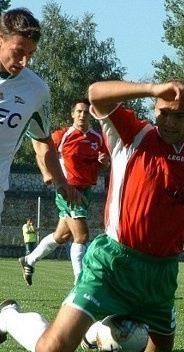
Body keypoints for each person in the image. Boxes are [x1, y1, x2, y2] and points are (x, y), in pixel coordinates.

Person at [0, 78, 184, 352]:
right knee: (51, 350)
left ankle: (96, 332)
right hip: (112, 264)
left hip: (161, 273)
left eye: (179, 116)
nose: (169, 122)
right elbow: (95, 92)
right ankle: (9, 317)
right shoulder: (132, 133)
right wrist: (151, 88)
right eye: (163, 113)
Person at [0, 8, 80, 254]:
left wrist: (61, 182)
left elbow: (42, 141)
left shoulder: (36, 90)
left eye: (30, 54)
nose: (24, 62)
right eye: (19, 52)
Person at [19, 98, 110, 285]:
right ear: (72, 114)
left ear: (91, 115)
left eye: (86, 112)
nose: (82, 115)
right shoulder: (63, 135)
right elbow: (41, 152)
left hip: (86, 191)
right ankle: (80, 282)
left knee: (62, 236)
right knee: (82, 235)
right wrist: (46, 172)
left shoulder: (98, 138)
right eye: (79, 112)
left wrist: (104, 163)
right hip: (68, 190)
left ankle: (28, 260)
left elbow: (104, 165)